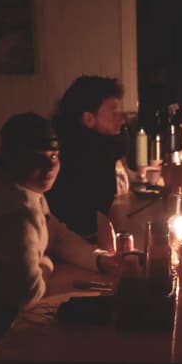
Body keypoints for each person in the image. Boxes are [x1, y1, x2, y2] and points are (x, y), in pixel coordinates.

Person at [0, 113, 116, 348]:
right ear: (13, 160)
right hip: (1, 333)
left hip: (11, 319)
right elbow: (28, 294)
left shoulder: (25, 189)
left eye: (54, 156)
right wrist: (47, 263)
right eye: (37, 159)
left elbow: (58, 236)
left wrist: (100, 260)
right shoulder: (16, 214)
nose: (49, 167)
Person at [45, 76, 130, 243]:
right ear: (88, 119)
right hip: (70, 247)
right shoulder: (76, 158)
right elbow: (84, 223)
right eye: (113, 112)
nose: (122, 118)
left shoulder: (99, 148)